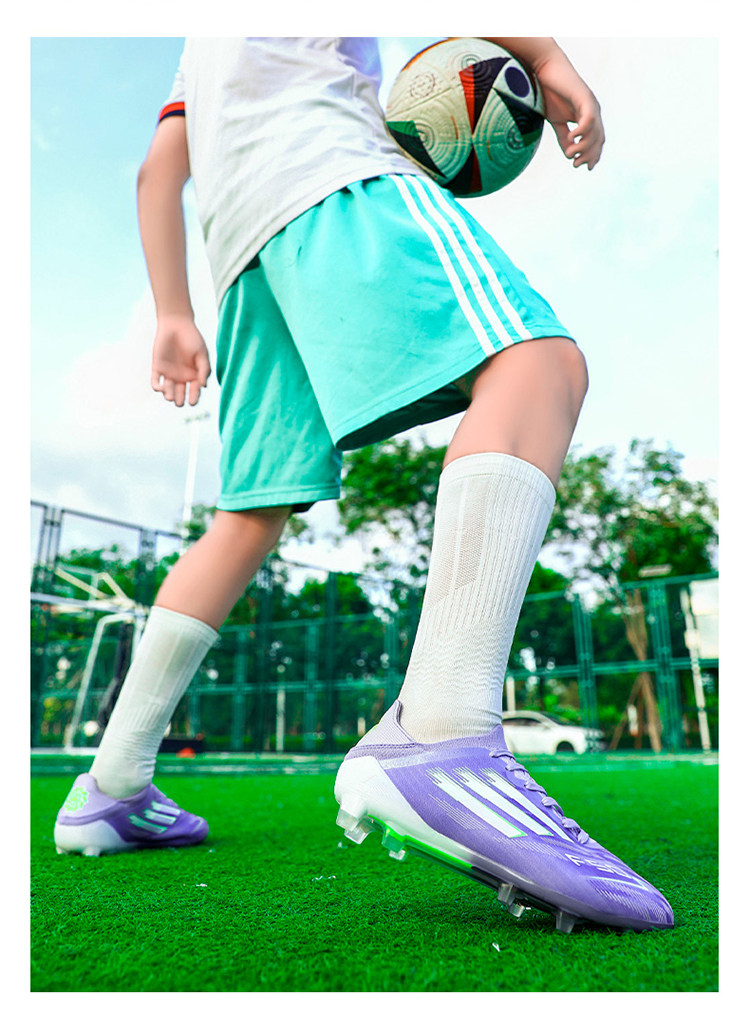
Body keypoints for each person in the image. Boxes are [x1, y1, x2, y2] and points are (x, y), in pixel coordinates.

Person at [54, 37, 673, 932]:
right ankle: (442, 732)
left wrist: (174, 314)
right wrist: (543, 57)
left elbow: (159, 171)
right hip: (331, 177)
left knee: (245, 516)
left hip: (244, 266)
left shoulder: (199, 44)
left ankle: (112, 784)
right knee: (538, 362)